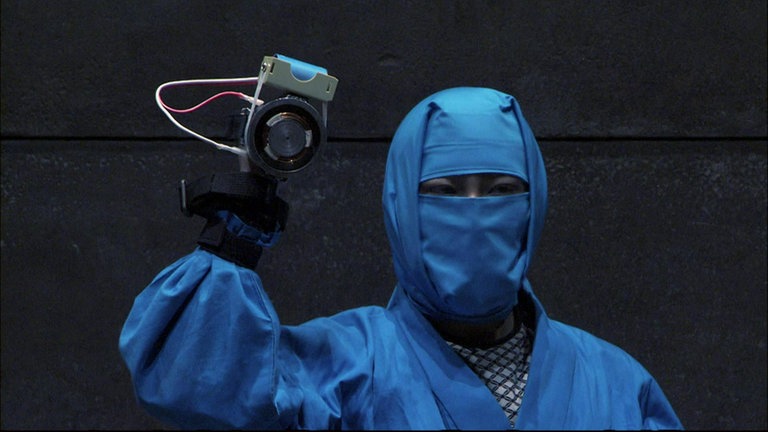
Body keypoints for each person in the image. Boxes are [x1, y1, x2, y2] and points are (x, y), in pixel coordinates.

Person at [119, 87, 683, 430]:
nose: (473, 212)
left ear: (534, 203)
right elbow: (196, 387)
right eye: (444, 192)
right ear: (400, 206)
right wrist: (239, 232)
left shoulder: (615, 383)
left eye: (500, 190)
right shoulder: (340, 368)